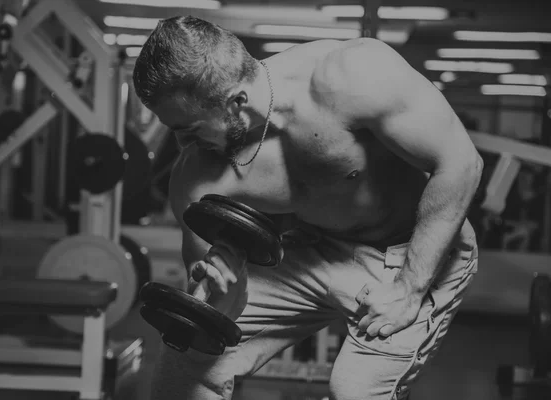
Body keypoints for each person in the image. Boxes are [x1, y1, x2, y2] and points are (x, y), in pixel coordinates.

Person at [132, 16, 483, 400]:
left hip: (411, 251)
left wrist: (410, 289)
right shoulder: (196, 176)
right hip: (313, 247)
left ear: (236, 103)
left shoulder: (351, 77)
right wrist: (220, 290)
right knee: (186, 359)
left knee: (354, 391)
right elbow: (208, 307)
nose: (183, 145)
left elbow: (461, 164)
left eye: (192, 129)